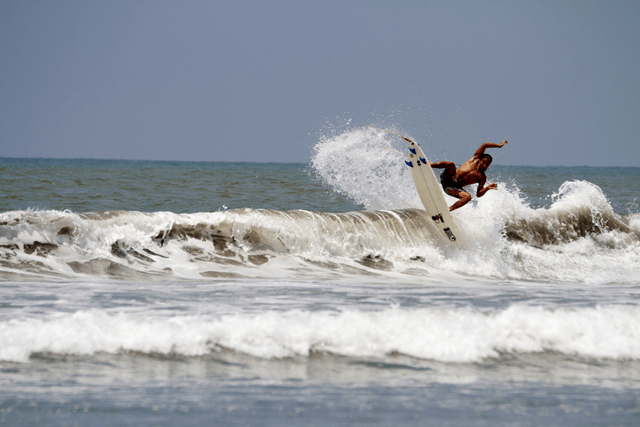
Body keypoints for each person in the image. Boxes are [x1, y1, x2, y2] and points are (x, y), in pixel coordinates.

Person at [429, 140, 508, 211]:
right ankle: (429, 165)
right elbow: (485, 145)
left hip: (452, 188)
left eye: (487, 164)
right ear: (480, 160)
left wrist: (487, 188)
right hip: (447, 178)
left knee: (468, 197)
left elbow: (478, 194)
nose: (485, 165)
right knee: (451, 164)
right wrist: (499, 146)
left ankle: (448, 210)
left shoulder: (482, 177)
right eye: (484, 162)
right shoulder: (474, 159)